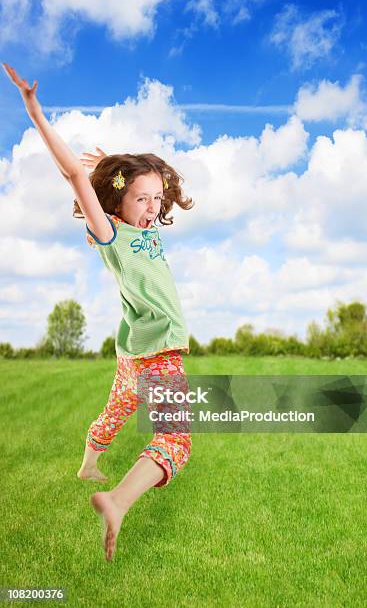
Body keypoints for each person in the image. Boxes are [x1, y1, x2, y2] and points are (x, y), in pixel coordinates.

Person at [3, 62, 194, 562]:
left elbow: (135, 193)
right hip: (158, 350)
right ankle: (117, 500)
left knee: (118, 409)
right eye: (142, 199)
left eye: (157, 198)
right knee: (175, 440)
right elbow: (73, 174)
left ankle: (89, 466)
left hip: (134, 350)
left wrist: (118, 166)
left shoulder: (144, 224)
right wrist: (34, 111)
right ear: (117, 200)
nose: (153, 208)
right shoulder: (111, 234)